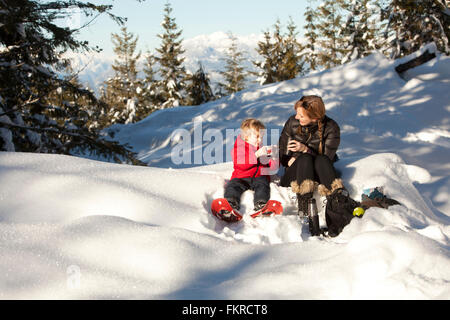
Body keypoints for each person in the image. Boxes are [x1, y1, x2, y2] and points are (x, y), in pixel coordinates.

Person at [278, 95, 344, 217]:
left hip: (320, 173)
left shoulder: (331, 127)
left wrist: (305, 149)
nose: (297, 117)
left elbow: (326, 159)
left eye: (301, 116)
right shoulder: (292, 122)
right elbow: (282, 154)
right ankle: (304, 205)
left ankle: (338, 202)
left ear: (314, 118)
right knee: (304, 159)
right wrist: (289, 160)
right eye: (297, 113)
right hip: (294, 175)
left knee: (316, 158)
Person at [224, 118, 278, 213]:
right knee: (233, 186)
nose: (260, 140)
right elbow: (241, 165)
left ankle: (261, 203)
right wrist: (256, 155)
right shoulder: (238, 149)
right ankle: (230, 202)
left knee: (263, 185)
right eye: (257, 137)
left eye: (261, 137)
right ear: (246, 137)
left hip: (258, 177)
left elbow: (272, 168)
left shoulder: (261, 149)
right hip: (241, 177)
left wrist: (274, 157)